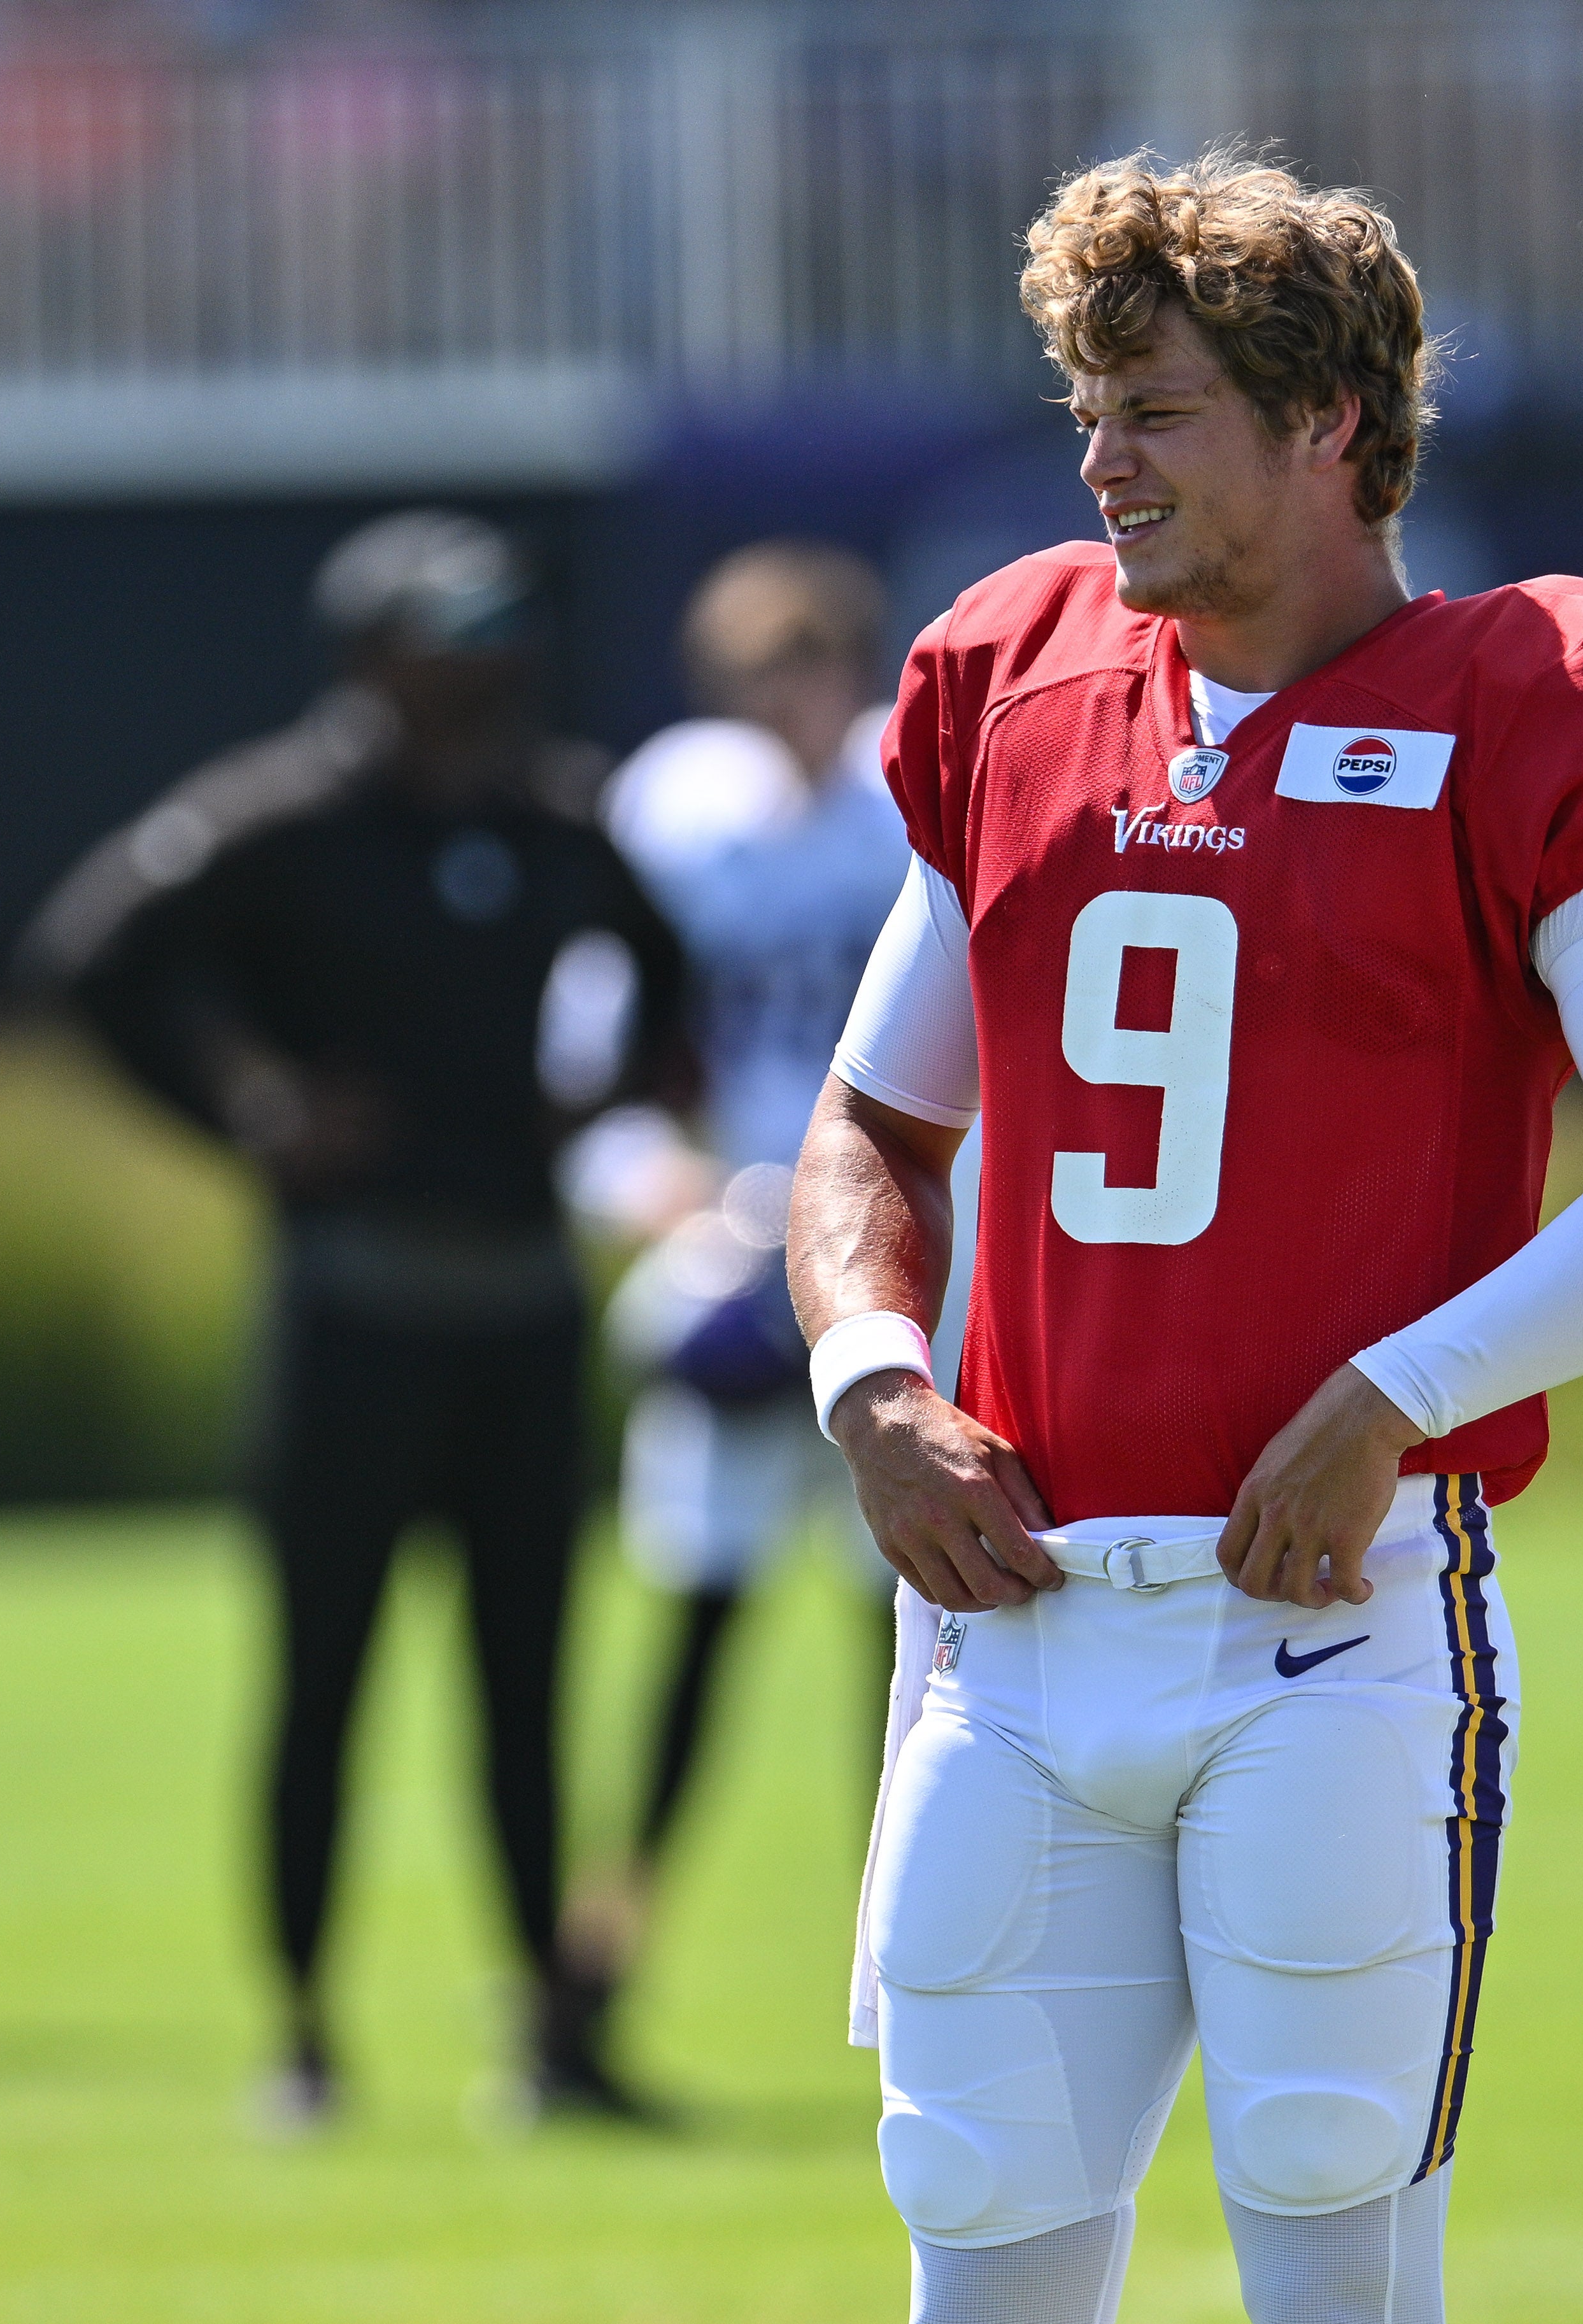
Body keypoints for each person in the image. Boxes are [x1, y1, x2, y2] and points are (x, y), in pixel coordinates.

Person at [788, 152, 1583, 2321]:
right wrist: (872, 1388)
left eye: (1149, 406)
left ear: (1326, 417)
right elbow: (873, 1123)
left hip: (1326, 1631)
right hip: (1020, 1622)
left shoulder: (1534, 695)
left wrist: (1393, 1397)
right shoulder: (1016, 670)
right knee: (976, 2242)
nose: (1096, 457)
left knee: (1332, 2253)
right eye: (1086, 403)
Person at [26, 509, 693, 2129]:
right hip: (352, 1310)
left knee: (525, 1690)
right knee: (324, 1681)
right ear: (373, 655)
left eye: (501, 632)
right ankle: (306, 2034)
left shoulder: (554, 818)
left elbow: (670, 976)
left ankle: (551, 2034)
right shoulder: (282, 815)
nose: (488, 664)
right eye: (448, 634)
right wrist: (252, 1106)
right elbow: (93, 956)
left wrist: (598, 1099)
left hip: (521, 1310)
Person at [576, 541, 915, 1955]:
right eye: (761, 674)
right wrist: (674, 1200)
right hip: (732, 1253)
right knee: (694, 1628)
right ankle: (593, 1971)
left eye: (813, 665)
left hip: (896, 1256)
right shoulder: (673, 813)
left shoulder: (914, 795)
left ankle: (916, 1962)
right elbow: (593, 1072)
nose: (791, 703)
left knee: (908, 1637)